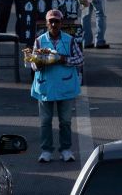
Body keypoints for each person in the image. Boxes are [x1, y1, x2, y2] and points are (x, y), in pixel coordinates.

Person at [31, 9, 83, 163]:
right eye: (51, 21)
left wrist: (62, 59)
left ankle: (66, 149)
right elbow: (33, 63)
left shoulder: (70, 40)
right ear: (47, 24)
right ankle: (46, 151)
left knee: (65, 121)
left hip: (65, 86)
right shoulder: (40, 41)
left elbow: (80, 60)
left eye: (56, 21)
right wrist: (39, 64)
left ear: (61, 23)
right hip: (45, 87)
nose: (54, 24)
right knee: (45, 121)